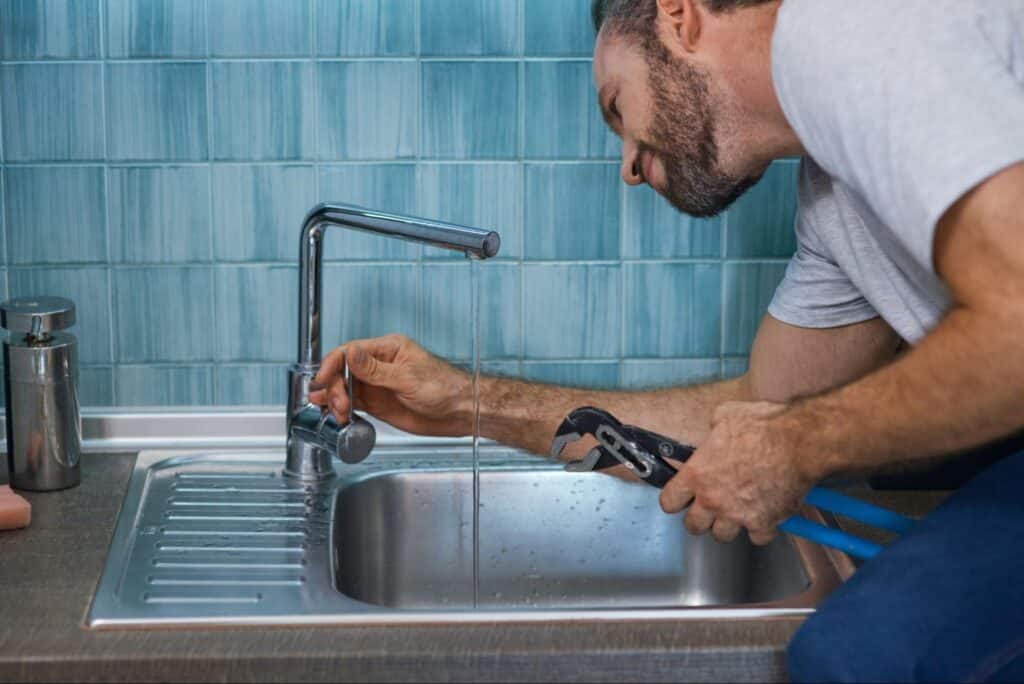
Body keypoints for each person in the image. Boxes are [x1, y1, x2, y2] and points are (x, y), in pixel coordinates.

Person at [310, 1, 1024, 679]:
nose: (625, 165)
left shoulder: (836, 34)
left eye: (617, 106)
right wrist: (466, 405)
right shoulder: (835, 202)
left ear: (678, 17)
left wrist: (801, 441)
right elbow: (760, 408)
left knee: (864, 653)